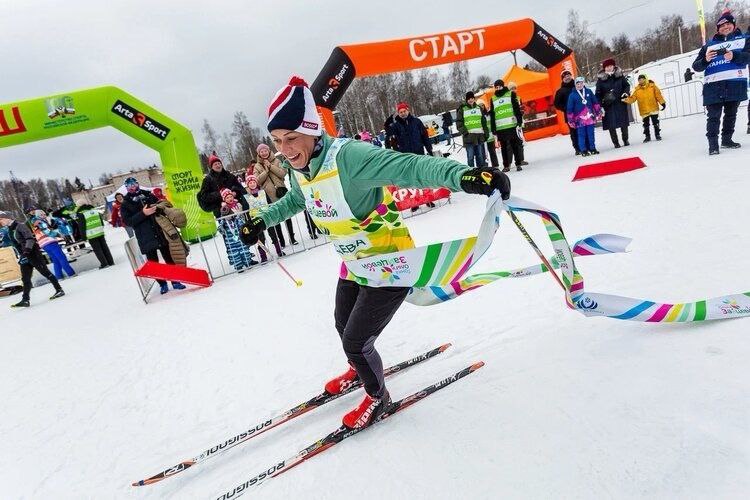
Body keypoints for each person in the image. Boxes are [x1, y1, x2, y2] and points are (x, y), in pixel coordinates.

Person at [239, 76, 510, 430]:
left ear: (312, 131)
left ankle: (377, 397)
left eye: (291, 138)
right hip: (355, 263)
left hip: (391, 263)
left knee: (355, 340)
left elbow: (409, 167)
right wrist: (262, 219)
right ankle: (359, 369)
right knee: (342, 325)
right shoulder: (298, 168)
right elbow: (296, 199)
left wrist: (465, 176)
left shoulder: (350, 158)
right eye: (277, 141)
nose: (285, 149)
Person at [691, 10, 750, 155]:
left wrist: (734, 55)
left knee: (731, 114)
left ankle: (726, 140)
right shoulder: (709, 45)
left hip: (735, 84)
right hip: (713, 86)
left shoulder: (743, 40)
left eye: (728, 24)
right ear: (718, 29)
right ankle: (713, 145)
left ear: (733, 25)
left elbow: (748, 57)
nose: (725, 27)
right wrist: (705, 59)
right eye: (722, 26)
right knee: (713, 116)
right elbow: (696, 66)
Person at [120, 178, 187, 294]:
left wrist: (158, 208)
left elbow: (162, 206)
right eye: (129, 185)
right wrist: (143, 213)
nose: (132, 187)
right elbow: (128, 221)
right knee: (153, 263)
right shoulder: (125, 204)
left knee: (169, 257)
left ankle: (175, 280)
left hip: (160, 231)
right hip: (145, 236)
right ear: (126, 188)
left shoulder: (148, 195)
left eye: (134, 184)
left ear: (138, 184)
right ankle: (162, 284)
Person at [0, 211, 65, 308]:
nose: (0, 222)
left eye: (1, 219)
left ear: (7, 218)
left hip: (32, 253)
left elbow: (30, 238)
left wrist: (27, 250)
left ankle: (59, 290)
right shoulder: (10, 229)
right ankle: (25, 300)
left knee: (45, 272)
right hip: (24, 255)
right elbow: (13, 242)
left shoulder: (20, 226)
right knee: (25, 278)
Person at [390, 102, 436, 210]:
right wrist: (397, 154)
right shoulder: (396, 126)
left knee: (422, 177)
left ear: (408, 110)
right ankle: (414, 202)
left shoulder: (417, 122)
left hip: (419, 153)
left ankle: (428, 199)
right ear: (398, 113)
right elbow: (393, 142)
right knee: (411, 179)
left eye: (404, 111)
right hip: (406, 157)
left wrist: (429, 149)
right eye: (400, 112)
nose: (403, 113)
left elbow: (424, 136)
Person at [254, 143, 299, 246]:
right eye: (261, 151)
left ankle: (292, 238)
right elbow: (257, 181)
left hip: (281, 191)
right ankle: (281, 241)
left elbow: (283, 173)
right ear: (259, 153)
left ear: (269, 151)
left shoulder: (277, 161)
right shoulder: (257, 166)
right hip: (269, 195)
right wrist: (266, 171)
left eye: (265, 150)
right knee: (275, 218)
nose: (264, 153)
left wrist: (271, 167)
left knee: (287, 214)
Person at [489, 79, 525, 172]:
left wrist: (519, 121)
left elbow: (516, 109)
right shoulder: (493, 99)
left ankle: (518, 164)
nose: (498, 88)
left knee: (515, 145)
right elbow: (492, 115)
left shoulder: (510, 94)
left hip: (511, 125)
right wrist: (493, 128)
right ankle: (506, 166)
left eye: (500, 86)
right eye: (496, 87)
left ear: (503, 86)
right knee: (504, 148)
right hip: (500, 127)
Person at [218, 188, 258, 272]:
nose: (230, 198)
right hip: (230, 237)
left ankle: (247, 262)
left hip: (240, 231)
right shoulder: (224, 209)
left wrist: (242, 222)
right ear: (224, 199)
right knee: (234, 252)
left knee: (244, 248)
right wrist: (222, 227)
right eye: (227, 197)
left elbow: (242, 217)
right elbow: (221, 224)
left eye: (230, 196)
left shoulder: (238, 205)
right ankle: (238, 265)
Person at [30, 210, 75, 280]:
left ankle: (59, 276)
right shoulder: (40, 222)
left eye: (44, 214)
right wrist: (58, 234)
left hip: (43, 244)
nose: (44, 216)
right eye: (42, 214)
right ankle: (71, 273)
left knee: (56, 260)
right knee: (61, 257)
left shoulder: (35, 223)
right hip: (50, 242)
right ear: (38, 215)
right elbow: (48, 232)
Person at [596, 58, 631, 148]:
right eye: (607, 66)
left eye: (610, 66)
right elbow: (598, 94)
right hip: (608, 105)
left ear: (614, 66)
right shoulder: (600, 80)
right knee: (611, 125)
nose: (609, 68)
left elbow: (626, 85)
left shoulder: (620, 76)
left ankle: (625, 139)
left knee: (623, 123)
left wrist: (626, 92)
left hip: (620, 103)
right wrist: (600, 106)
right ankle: (615, 142)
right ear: (604, 68)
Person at [622, 74, 666, 142]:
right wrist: (625, 99)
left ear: (645, 79)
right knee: (646, 124)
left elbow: (658, 95)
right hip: (644, 110)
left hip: (653, 108)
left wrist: (662, 103)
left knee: (655, 122)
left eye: (642, 79)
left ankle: (657, 134)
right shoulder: (637, 90)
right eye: (639, 80)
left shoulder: (652, 86)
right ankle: (647, 136)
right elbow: (632, 99)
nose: (641, 81)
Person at [244, 174, 279, 260]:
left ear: (256, 183)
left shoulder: (262, 192)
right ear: (248, 185)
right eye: (250, 183)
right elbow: (246, 210)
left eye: (254, 182)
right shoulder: (247, 197)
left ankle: (279, 251)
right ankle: (263, 256)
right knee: (261, 238)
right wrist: (249, 221)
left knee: (273, 234)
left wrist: (272, 212)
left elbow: (269, 203)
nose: (252, 184)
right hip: (256, 220)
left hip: (267, 216)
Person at [567, 76, 603, 156]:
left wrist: (598, 112)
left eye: (581, 83)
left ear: (583, 83)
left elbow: (595, 102)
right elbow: (569, 108)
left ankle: (592, 148)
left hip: (590, 118)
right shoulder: (572, 95)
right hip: (579, 120)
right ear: (575, 85)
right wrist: (570, 120)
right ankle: (583, 150)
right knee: (581, 135)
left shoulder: (588, 91)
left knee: (591, 134)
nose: (579, 85)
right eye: (577, 84)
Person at [455, 91, 489, 168]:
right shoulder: (462, 109)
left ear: (474, 99)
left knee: (480, 156)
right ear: (467, 100)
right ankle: (471, 171)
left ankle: (480, 171)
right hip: (468, 138)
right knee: (470, 157)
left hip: (479, 137)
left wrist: (486, 133)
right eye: (469, 99)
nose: (471, 100)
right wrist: (465, 133)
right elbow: (459, 123)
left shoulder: (479, 108)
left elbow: (483, 122)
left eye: (472, 98)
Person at [75, 203, 114, 269]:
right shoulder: (94, 210)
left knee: (97, 250)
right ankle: (111, 262)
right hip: (100, 231)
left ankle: (104, 264)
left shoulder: (81, 213)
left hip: (91, 234)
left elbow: (82, 227)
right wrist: (101, 227)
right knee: (105, 247)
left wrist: (84, 237)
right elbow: (101, 220)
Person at [554, 70, 581, 155]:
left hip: (581, 113)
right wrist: (566, 108)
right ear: (562, 79)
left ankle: (585, 145)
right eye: (565, 77)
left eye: (569, 75)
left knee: (583, 130)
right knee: (574, 132)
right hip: (570, 116)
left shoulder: (578, 86)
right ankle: (577, 148)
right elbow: (557, 104)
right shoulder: (560, 91)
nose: (567, 77)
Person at [478, 101, 500, 168]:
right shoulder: (477, 116)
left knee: (492, 152)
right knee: (483, 154)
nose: (481, 107)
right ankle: (485, 166)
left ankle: (495, 165)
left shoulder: (489, 115)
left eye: (482, 105)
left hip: (490, 137)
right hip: (482, 138)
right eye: (480, 106)